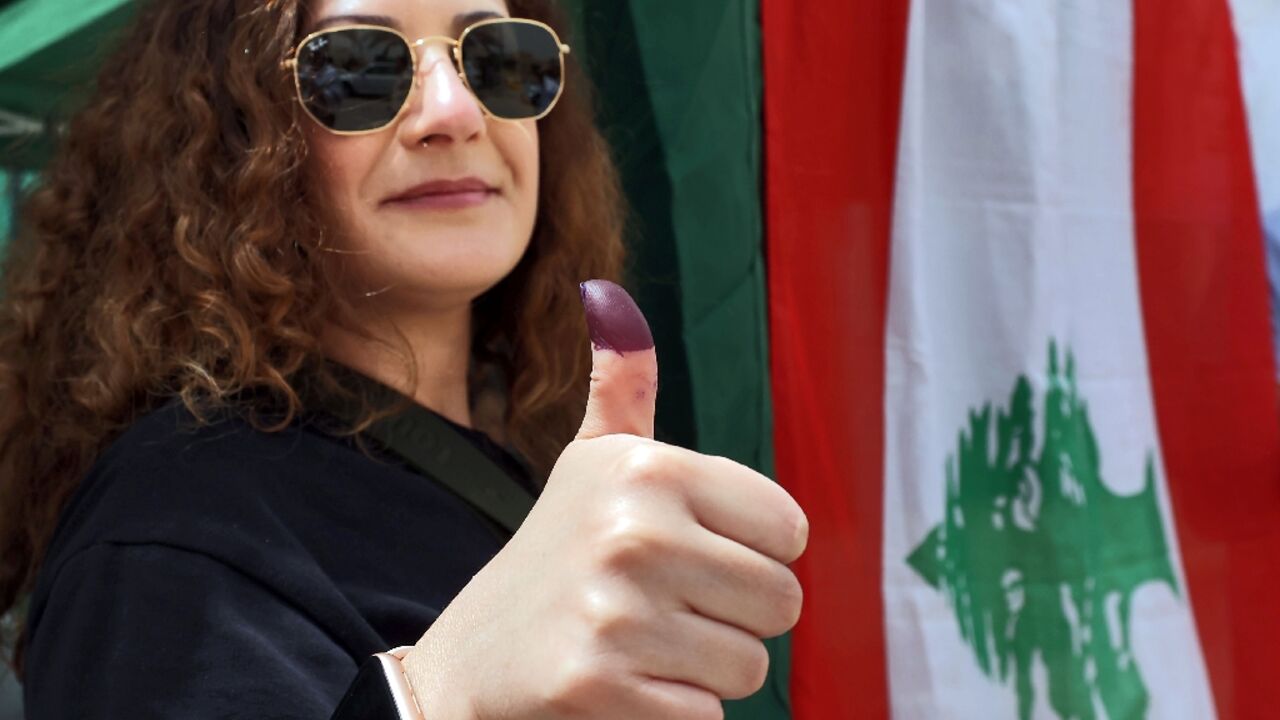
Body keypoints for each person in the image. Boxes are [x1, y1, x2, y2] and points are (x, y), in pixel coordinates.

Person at [0, 0, 808, 718]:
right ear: (238, 132)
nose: (454, 113)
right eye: (356, 67)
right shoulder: (164, 537)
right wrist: (434, 695)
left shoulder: (528, 466)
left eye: (498, 58)